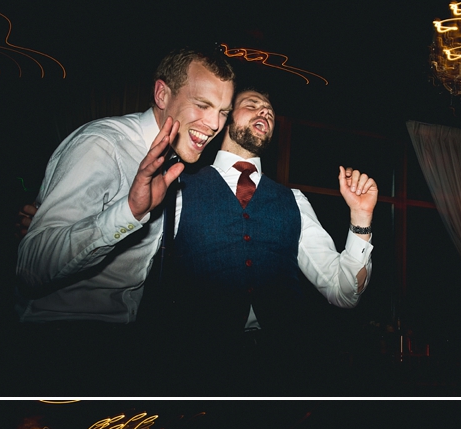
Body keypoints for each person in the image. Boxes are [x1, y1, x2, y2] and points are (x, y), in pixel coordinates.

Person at [14, 48, 235, 389]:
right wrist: (129, 212)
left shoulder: (177, 167)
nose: (215, 124)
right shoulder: (102, 145)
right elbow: (31, 268)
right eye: (202, 105)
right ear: (162, 94)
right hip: (60, 342)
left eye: (223, 111)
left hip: (123, 343)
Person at [158, 89, 376, 369]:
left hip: (282, 364)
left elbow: (344, 291)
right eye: (253, 105)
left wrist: (361, 216)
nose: (265, 113)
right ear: (225, 117)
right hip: (198, 362)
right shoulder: (178, 190)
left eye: (270, 113)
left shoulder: (293, 200)